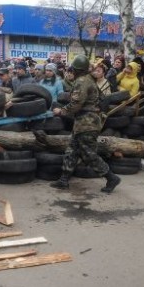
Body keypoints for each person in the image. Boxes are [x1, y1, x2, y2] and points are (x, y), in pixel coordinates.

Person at [49, 55, 121, 194]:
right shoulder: (90, 80)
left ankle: (111, 177)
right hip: (84, 122)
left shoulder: (82, 81)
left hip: (87, 123)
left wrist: (61, 111)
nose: (71, 71)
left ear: (77, 70)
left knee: (88, 154)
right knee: (72, 150)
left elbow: (76, 104)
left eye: (73, 69)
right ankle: (64, 180)